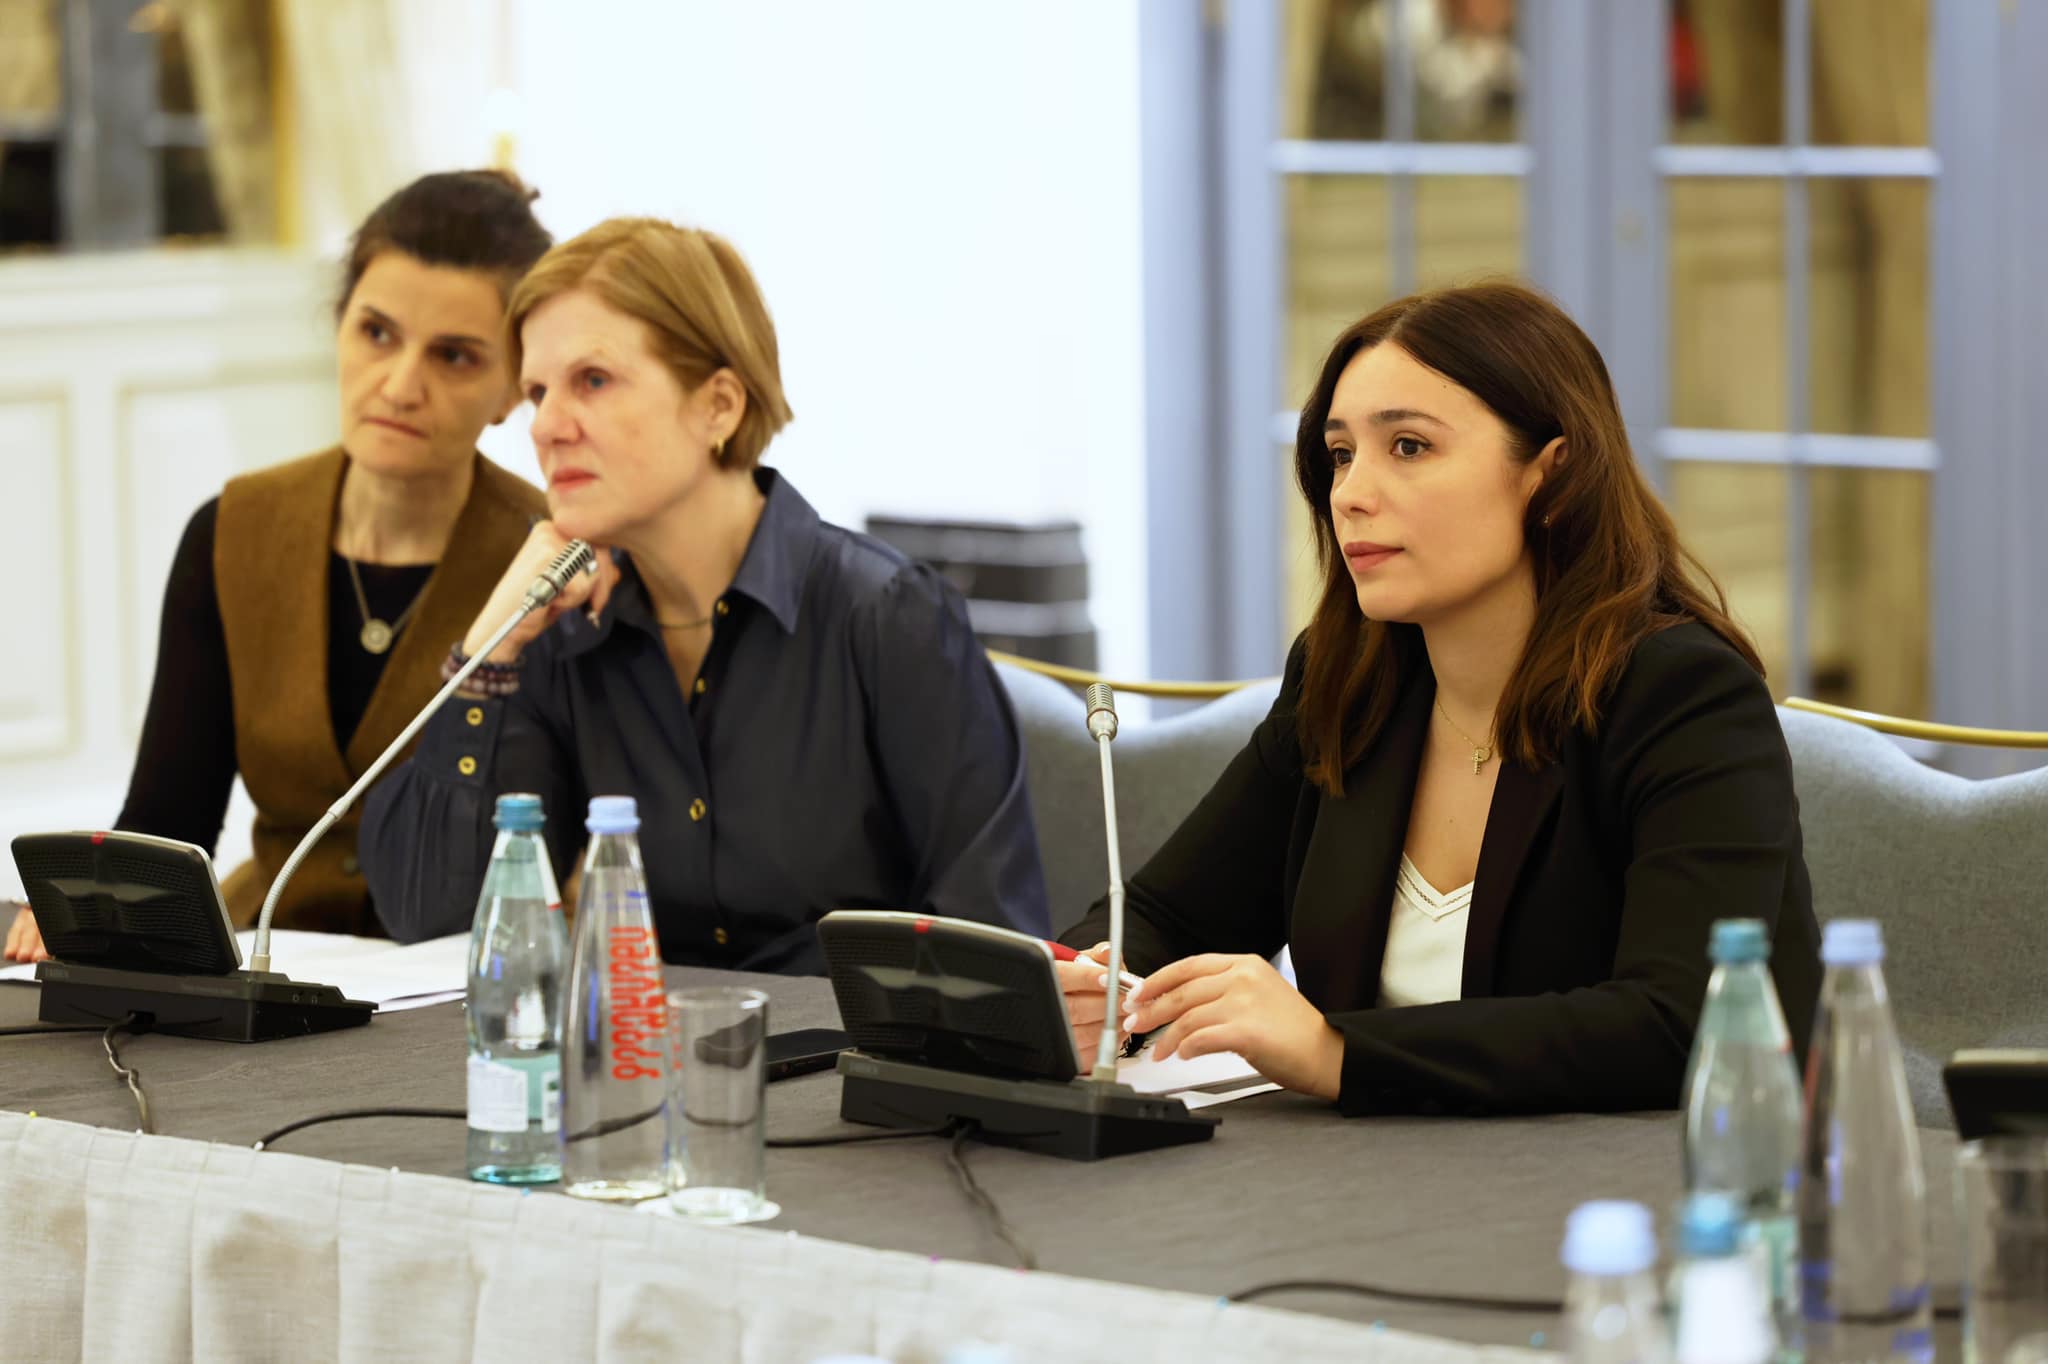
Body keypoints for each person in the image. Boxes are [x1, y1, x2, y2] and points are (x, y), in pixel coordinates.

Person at [1056, 281, 1821, 1116]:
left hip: (1647, 1181)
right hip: (1370, 1177)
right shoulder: (1345, 679)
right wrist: (1090, 987)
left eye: (1410, 446)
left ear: (1552, 476)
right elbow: (1170, 915)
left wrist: (1334, 1053)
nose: (1350, 493)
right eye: (1341, 454)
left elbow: (1682, 1025)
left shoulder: (1683, 696)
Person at [359, 217, 1049, 972]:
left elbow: (995, 949)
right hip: (648, 1045)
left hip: (856, 1047)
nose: (547, 426)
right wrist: (486, 652)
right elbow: (434, 919)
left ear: (718, 405)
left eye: (593, 380)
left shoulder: (888, 616)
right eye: (536, 392)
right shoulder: (562, 630)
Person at [3, 170, 551, 964]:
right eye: (377, 333)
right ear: (338, 328)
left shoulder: (549, 564)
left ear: (512, 390)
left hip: (465, 976)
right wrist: (92, 903)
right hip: (270, 957)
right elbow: (169, 818)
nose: (401, 385)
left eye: (455, 356)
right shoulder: (233, 531)